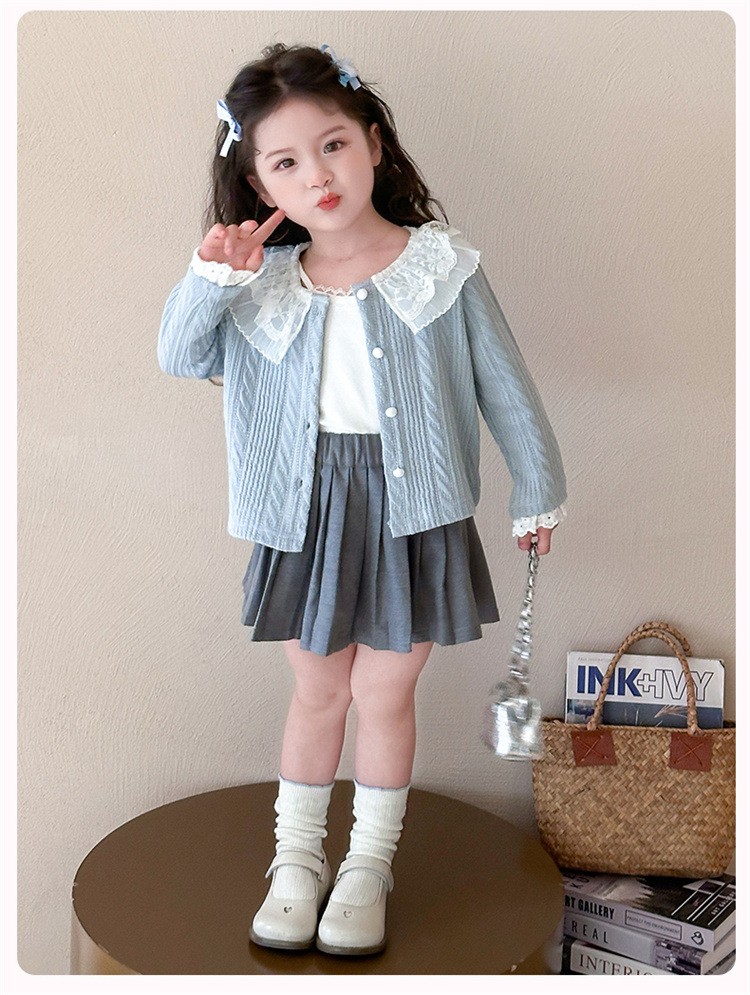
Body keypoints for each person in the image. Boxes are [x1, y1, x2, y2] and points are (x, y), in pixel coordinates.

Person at [158, 42, 567, 957]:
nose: (318, 175)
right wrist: (212, 273)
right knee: (317, 688)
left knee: (385, 690)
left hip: (413, 507)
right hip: (305, 508)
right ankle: (296, 861)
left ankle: (368, 865)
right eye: (286, 162)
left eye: (333, 145)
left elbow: (505, 385)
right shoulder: (260, 285)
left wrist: (538, 489)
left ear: (374, 144)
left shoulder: (442, 266)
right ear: (259, 184)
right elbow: (180, 355)